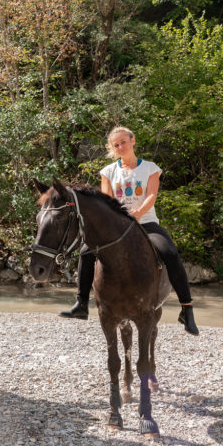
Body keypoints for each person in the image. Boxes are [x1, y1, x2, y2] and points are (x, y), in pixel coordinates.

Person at [60, 126, 199, 335]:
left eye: (123, 142)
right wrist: (120, 218)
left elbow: (152, 195)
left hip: (146, 222)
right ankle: (81, 303)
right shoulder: (108, 171)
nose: (120, 147)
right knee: (86, 251)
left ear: (133, 141)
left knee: (170, 253)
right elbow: (107, 202)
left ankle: (186, 309)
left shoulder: (150, 168)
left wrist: (139, 212)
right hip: (117, 226)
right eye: (116, 145)